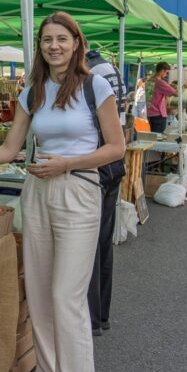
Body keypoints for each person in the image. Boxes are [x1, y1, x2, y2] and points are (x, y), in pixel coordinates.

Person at [0, 12, 124, 372]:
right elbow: (9, 148)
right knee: (39, 288)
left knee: (66, 297)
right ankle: (48, 368)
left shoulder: (96, 85)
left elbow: (116, 147)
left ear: (77, 43)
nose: (54, 46)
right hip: (36, 192)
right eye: (46, 40)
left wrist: (68, 163)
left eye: (62, 39)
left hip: (77, 189)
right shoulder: (33, 91)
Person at [84, 48, 127, 337]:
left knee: (88, 244)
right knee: (102, 242)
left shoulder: (92, 78)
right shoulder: (112, 71)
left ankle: (92, 318)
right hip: (112, 166)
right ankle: (102, 316)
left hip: (97, 165)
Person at [145, 62, 176, 133]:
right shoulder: (160, 83)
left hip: (149, 114)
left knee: (151, 137)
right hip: (158, 115)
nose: (166, 75)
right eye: (166, 73)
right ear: (162, 71)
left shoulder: (149, 80)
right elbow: (175, 93)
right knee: (157, 139)